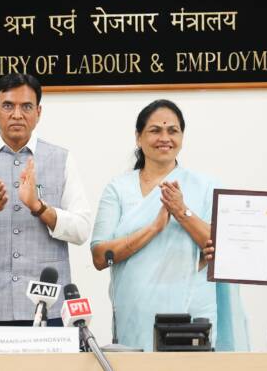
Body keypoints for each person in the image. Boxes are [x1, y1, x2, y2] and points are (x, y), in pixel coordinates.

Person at [0, 73, 92, 342]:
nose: (16, 114)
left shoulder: (62, 158)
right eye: (8, 106)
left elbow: (81, 230)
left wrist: (39, 207)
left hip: (48, 305)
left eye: (26, 106)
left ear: (38, 112)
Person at [90, 99, 248, 351]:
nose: (165, 138)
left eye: (172, 130)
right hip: (136, 311)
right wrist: (153, 228)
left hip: (192, 313)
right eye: (155, 130)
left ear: (182, 137)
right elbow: (100, 256)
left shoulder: (205, 186)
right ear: (138, 137)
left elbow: (223, 247)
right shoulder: (118, 189)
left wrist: (181, 211)